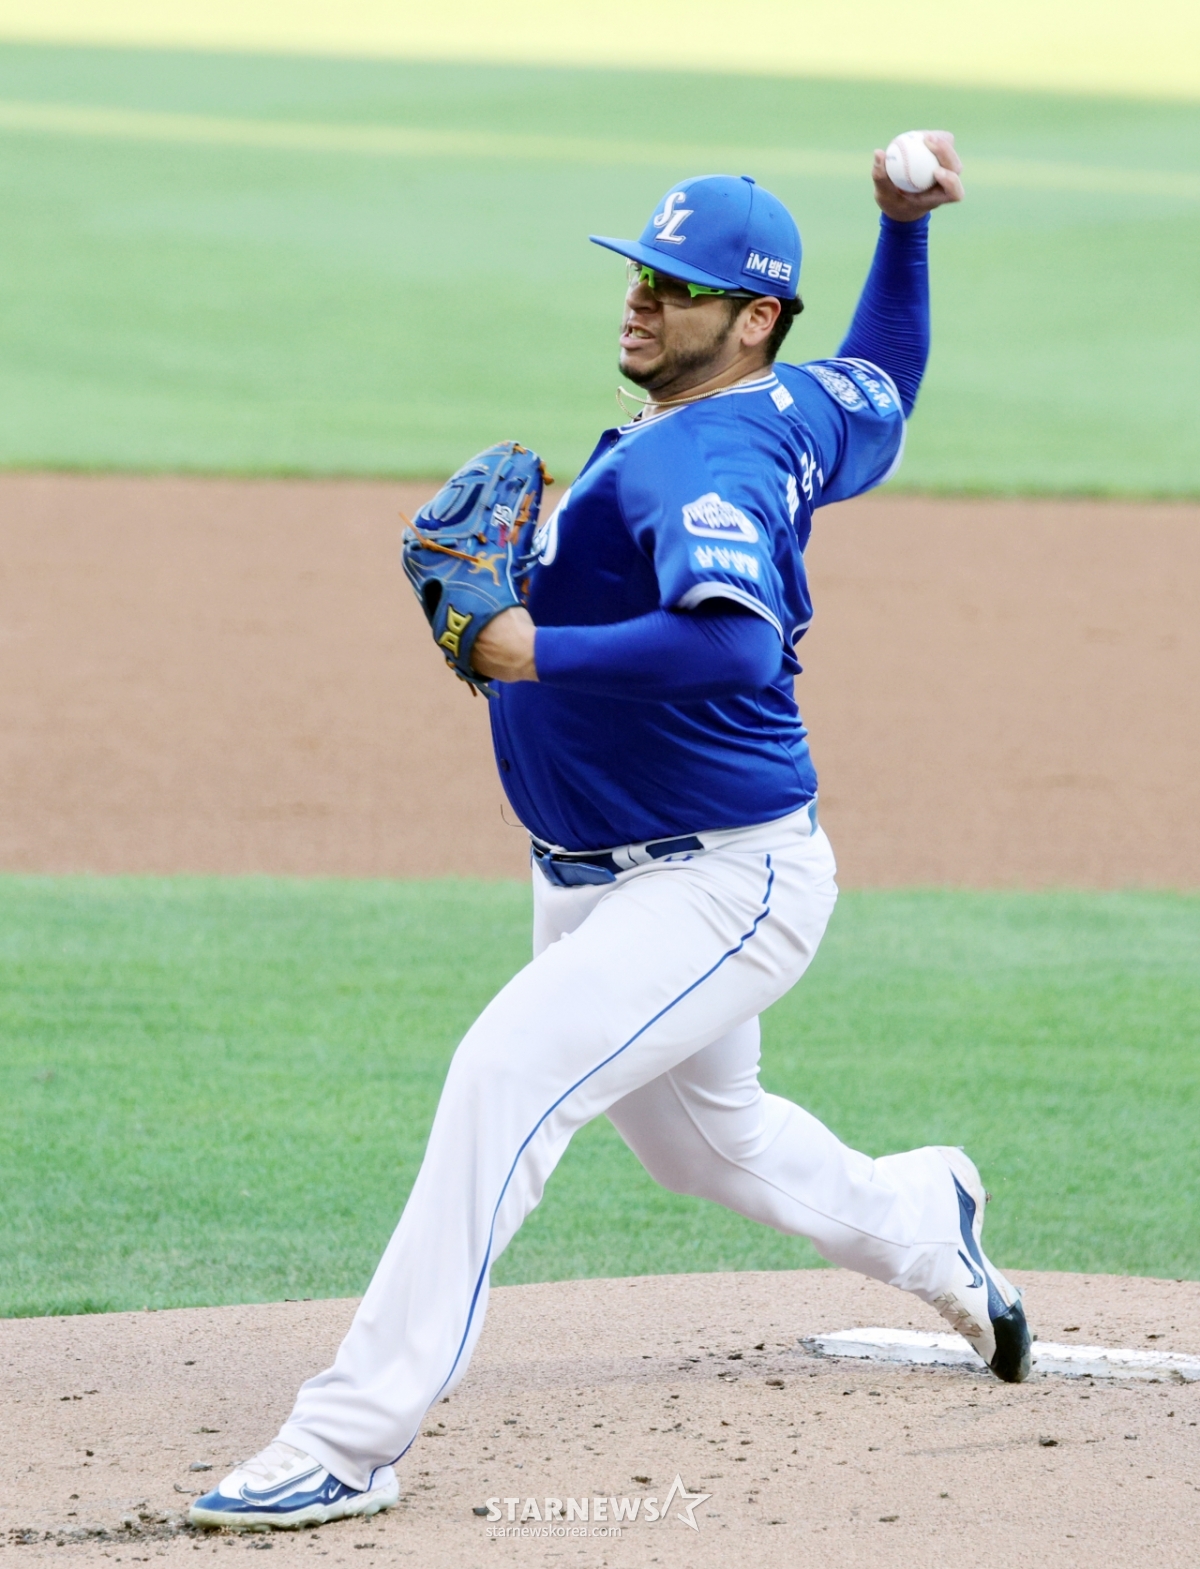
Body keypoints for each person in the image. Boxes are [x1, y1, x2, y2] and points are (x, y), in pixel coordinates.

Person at [191, 131, 1031, 1534]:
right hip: (605, 874)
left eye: (678, 285)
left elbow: (731, 645)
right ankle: (924, 1219)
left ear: (751, 318)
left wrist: (527, 647)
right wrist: (903, 229)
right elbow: (885, 377)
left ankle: (346, 1436)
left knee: (503, 1075)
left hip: (720, 879)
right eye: (641, 270)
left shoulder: (709, 461)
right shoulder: (790, 405)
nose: (642, 297)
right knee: (709, 1147)